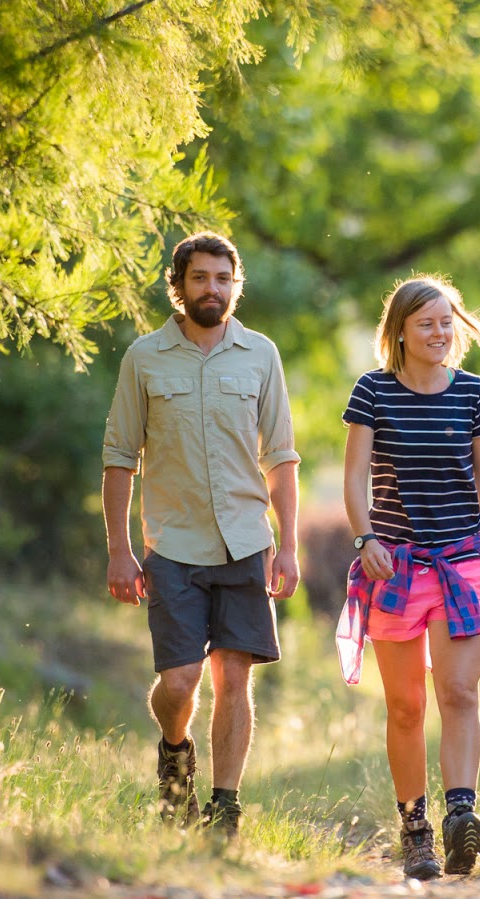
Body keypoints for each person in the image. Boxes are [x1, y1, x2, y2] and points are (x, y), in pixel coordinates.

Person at [101, 231, 301, 840]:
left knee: (234, 679)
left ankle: (224, 806)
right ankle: (174, 749)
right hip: (173, 547)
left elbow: (283, 457)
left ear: (234, 287)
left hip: (246, 541)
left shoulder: (261, 354)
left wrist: (288, 543)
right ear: (179, 285)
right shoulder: (144, 357)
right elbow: (118, 457)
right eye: (199, 278)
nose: (211, 289)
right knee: (181, 682)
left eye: (222, 279)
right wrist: (118, 550)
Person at [335, 275, 480, 880]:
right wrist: (366, 540)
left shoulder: (471, 392)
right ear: (401, 332)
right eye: (426, 324)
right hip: (396, 564)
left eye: (446, 322)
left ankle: (460, 815)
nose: (439, 334)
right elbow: (355, 477)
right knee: (406, 705)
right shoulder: (372, 392)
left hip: (463, 561)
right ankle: (415, 830)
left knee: (460, 693)